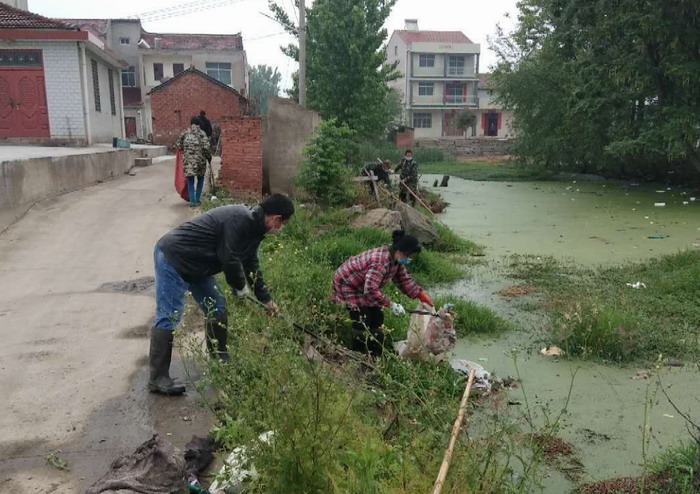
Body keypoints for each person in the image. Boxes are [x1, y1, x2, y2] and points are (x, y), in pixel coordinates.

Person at [149, 194, 295, 395]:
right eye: (282, 224)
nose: (280, 229)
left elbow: (251, 265)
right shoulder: (239, 218)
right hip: (174, 257)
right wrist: (239, 287)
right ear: (276, 218)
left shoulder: (255, 230)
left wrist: (266, 300)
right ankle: (158, 378)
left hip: (199, 265)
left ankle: (220, 358)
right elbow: (230, 259)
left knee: (217, 308)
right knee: (169, 315)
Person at [331, 230, 434, 357]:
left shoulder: (395, 260)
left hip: (364, 285)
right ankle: (358, 354)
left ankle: (375, 352)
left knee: (377, 317)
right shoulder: (380, 262)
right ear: (401, 252)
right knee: (361, 317)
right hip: (347, 283)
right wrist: (391, 304)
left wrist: (420, 294)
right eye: (409, 257)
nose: (409, 260)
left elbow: (404, 279)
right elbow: (370, 290)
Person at [176, 117, 211, 207]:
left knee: (190, 181)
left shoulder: (185, 133)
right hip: (200, 162)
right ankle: (197, 199)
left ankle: (192, 201)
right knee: (200, 180)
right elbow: (206, 148)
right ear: (198, 124)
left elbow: (178, 145)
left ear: (191, 124)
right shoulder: (202, 134)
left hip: (188, 162)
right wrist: (209, 158)